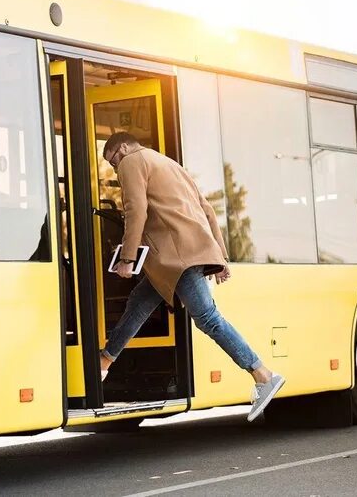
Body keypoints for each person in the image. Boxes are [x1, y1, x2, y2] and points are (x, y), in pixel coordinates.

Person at [99, 131, 284, 422]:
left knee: (208, 318)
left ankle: (263, 374)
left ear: (123, 148)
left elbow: (137, 210)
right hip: (182, 256)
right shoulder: (170, 164)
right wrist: (221, 257)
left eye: (113, 161)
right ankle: (105, 361)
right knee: (139, 301)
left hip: (177, 259)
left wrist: (127, 258)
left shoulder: (132, 161)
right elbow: (207, 209)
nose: (115, 169)